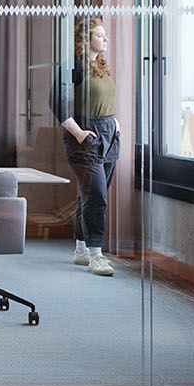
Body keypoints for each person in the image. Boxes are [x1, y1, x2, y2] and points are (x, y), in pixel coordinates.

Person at [56, 16, 118, 276]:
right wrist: (79, 132)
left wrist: (115, 124)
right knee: (97, 197)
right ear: (86, 39)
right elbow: (57, 101)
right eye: (100, 35)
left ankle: (81, 249)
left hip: (109, 134)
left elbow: (106, 100)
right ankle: (96, 255)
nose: (105, 39)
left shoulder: (101, 66)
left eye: (105, 34)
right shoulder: (73, 66)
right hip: (86, 136)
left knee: (89, 195)